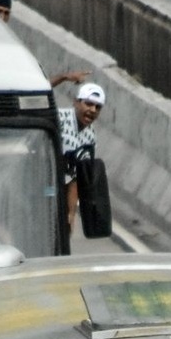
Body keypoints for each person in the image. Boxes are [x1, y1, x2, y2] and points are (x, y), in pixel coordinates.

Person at [51, 77, 102, 227]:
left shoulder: (90, 137)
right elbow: (39, 93)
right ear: (76, 102)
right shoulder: (59, 117)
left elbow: (77, 177)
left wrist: (71, 213)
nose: (93, 110)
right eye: (89, 104)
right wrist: (64, 78)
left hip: (63, 184)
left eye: (98, 107)